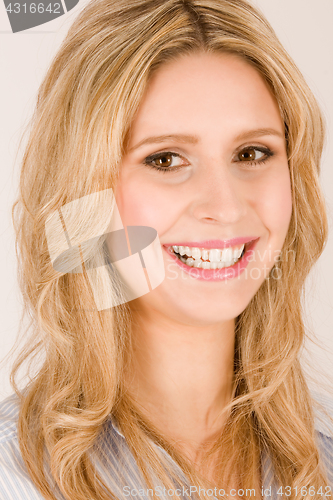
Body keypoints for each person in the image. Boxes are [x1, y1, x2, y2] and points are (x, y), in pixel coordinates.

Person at [0, 0, 332, 499]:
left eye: (252, 153)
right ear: (80, 191)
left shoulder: (320, 467)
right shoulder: (15, 476)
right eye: (166, 159)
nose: (226, 207)